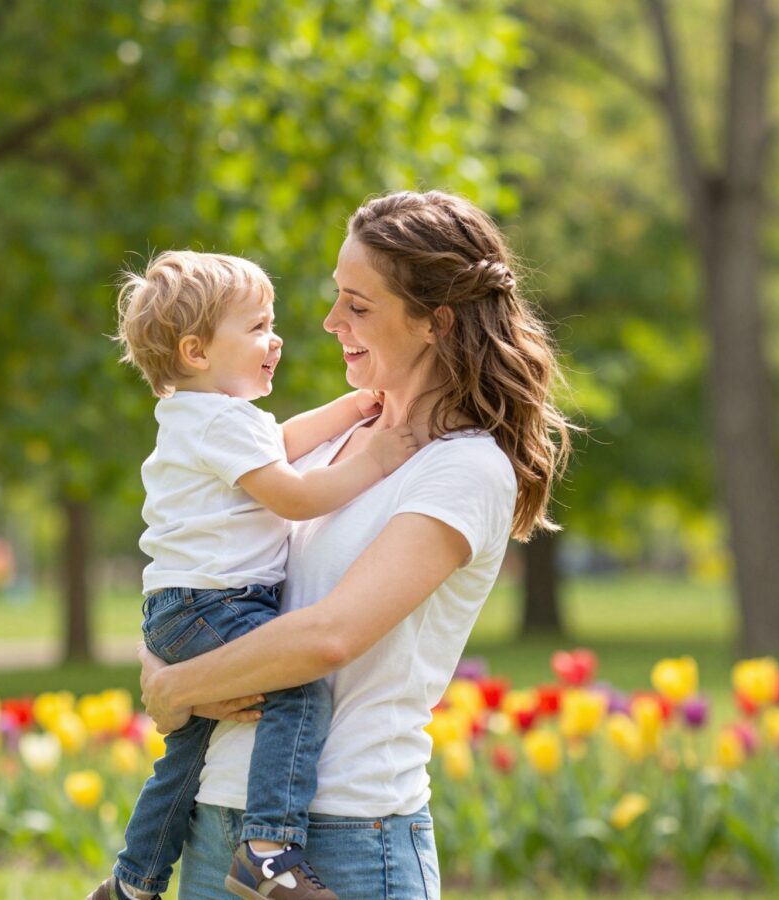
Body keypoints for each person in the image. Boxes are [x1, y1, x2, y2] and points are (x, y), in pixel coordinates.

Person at [138, 191, 572, 900]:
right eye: (337, 299)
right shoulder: (328, 445)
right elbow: (195, 571)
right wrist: (165, 661)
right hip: (219, 828)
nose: (330, 322)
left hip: (345, 835)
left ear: (436, 322)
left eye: (358, 306)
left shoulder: (462, 468)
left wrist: (175, 687)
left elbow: (331, 636)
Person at [89, 250, 419, 900]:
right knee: (296, 689)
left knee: (187, 752)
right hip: (220, 603)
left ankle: (133, 883)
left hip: (180, 610)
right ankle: (269, 849)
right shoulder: (218, 421)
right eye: (259, 327)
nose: (278, 339)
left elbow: (279, 442)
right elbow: (293, 494)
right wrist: (374, 459)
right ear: (196, 350)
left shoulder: (199, 417)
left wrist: (352, 410)